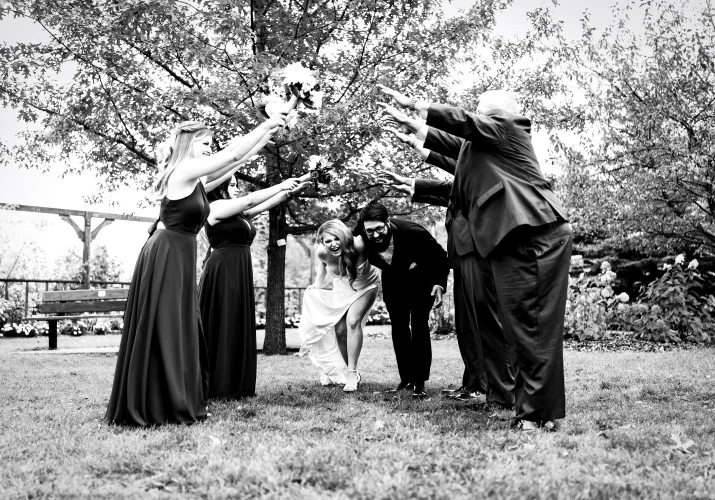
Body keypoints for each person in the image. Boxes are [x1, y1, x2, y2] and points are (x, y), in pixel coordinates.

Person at [377, 84, 573, 430]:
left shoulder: (510, 129)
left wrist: (420, 106)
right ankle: (535, 411)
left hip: (535, 236)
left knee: (533, 329)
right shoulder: (482, 148)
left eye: (486, 112)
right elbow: (456, 150)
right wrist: (417, 131)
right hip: (511, 241)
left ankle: (537, 414)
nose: (482, 117)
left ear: (504, 114)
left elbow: (466, 126)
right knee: (520, 331)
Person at [105, 113, 287, 426]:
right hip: (167, 256)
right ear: (188, 143)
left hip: (179, 255)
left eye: (210, 144)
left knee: (179, 327)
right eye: (204, 143)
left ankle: (172, 397)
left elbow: (235, 159)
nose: (208, 148)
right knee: (167, 327)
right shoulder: (184, 171)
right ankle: (160, 402)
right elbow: (229, 155)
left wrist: (267, 134)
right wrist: (266, 123)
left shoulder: (196, 178)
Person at [376, 127, 490, 403]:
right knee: (465, 327)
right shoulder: (461, 188)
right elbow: (448, 189)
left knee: (477, 325)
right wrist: (411, 184)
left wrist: (418, 144)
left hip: (478, 256)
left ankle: (482, 385)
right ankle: (472, 382)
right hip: (461, 259)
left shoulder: (482, 175)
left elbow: (454, 170)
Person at [199, 174, 308, 399]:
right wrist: (281, 183)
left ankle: (236, 383)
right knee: (224, 322)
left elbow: (266, 203)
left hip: (239, 270)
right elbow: (250, 200)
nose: (237, 189)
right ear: (219, 189)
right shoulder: (215, 207)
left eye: (237, 185)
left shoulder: (238, 214)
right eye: (231, 185)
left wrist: (297, 185)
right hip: (224, 271)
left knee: (236, 321)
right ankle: (218, 384)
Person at [357, 201, 449, 398]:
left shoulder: (412, 232)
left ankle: (420, 382)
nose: (374, 235)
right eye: (369, 231)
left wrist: (439, 284)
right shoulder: (362, 233)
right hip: (393, 282)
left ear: (388, 222)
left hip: (420, 280)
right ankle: (406, 379)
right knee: (399, 328)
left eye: (379, 229)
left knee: (418, 325)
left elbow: (441, 257)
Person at [298, 220, 380, 392]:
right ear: (322, 243)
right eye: (328, 241)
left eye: (336, 238)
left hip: (367, 286)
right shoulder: (322, 253)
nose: (333, 244)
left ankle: (352, 373)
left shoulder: (358, 245)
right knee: (340, 331)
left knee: (353, 322)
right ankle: (346, 370)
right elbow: (322, 271)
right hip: (342, 289)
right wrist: (315, 286)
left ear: (343, 236)